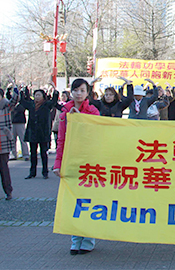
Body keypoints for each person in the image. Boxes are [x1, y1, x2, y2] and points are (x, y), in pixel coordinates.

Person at [53, 78, 100, 254]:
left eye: (82, 90)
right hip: (71, 162)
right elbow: (61, 140)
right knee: (73, 201)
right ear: (71, 92)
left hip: (90, 162)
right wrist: (58, 163)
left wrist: (80, 120)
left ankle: (88, 240)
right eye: (76, 90)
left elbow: (96, 135)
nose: (79, 93)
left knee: (89, 201)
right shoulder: (65, 112)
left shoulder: (93, 111)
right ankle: (75, 240)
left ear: (88, 93)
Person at [20, 84, 59, 179]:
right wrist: (22, 91)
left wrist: (55, 90)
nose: (37, 97)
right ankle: (32, 172)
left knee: (43, 153)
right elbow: (22, 102)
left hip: (43, 132)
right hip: (33, 132)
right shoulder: (31, 104)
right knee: (33, 153)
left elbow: (54, 101)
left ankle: (45, 172)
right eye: (36, 95)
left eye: (39, 95)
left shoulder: (46, 105)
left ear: (43, 96)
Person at [0, 83, 19, 200]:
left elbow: (15, 99)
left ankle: (8, 191)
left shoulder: (6, 105)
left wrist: (14, 86)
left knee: (4, 169)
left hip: (3, 141)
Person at [7, 84, 29, 160]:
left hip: (20, 122)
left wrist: (25, 89)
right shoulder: (11, 104)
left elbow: (27, 98)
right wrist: (9, 88)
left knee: (22, 138)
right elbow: (8, 96)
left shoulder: (22, 104)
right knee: (12, 139)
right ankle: (13, 154)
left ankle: (25, 154)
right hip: (12, 122)